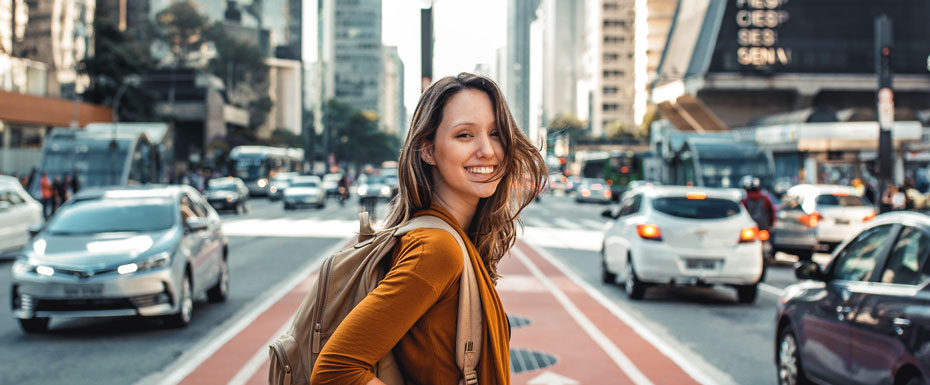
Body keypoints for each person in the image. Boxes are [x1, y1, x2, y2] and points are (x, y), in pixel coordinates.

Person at [311, 73, 546, 384]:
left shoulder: (451, 238)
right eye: (465, 135)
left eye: (496, 133)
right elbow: (335, 372)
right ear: (428, 150)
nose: (487, 150)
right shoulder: (436, 248)